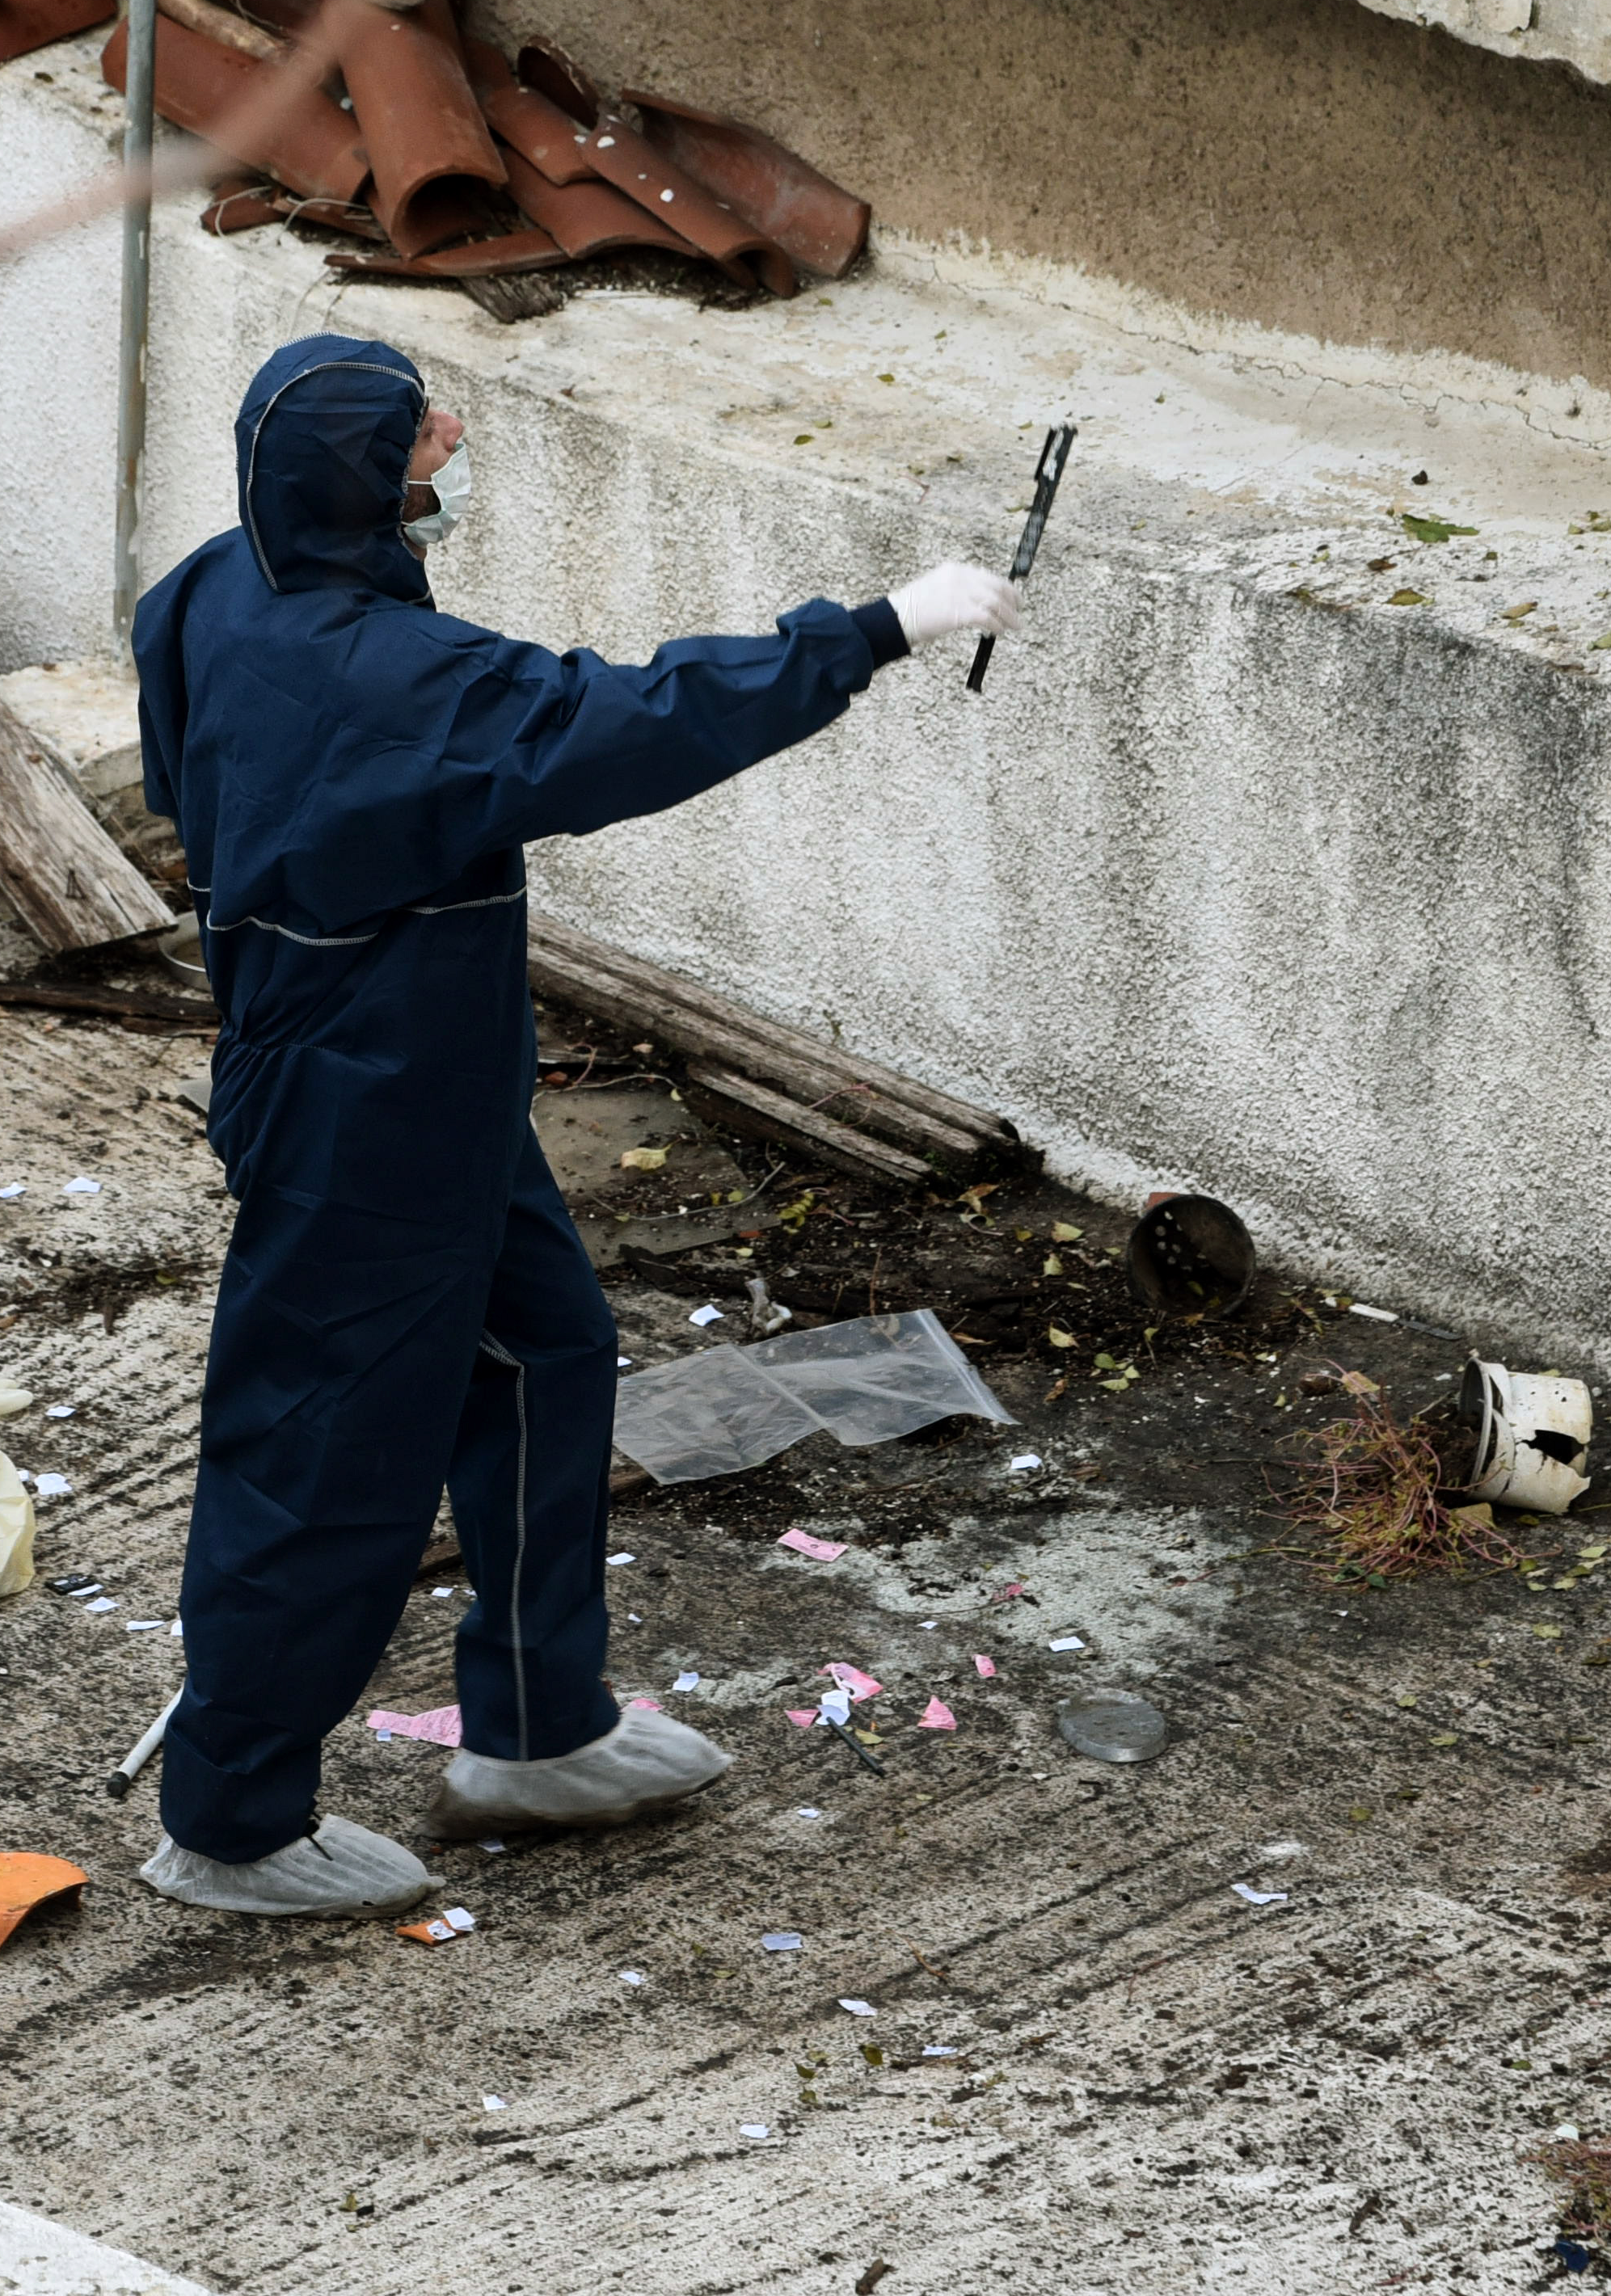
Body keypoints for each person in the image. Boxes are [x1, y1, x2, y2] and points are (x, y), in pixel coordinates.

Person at [129, 335, 1021, 1916]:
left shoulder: (214, 583)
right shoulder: (399, 681)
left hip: (421, 1075)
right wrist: (877, 627)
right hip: (359, 1111)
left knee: (547, 1357)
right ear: (360, 484)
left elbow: (175, 763)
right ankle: (230, 1821)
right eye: (421, 435)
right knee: (322, 1457)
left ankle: (538, 1730)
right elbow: (631, 718)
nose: (452, 436)